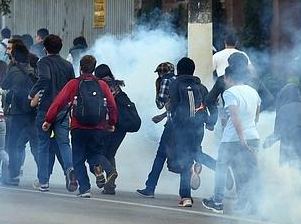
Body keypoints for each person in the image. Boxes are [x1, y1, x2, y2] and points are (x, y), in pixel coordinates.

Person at [43, 55, 118, 198]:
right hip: (98, 127)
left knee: (77, 158)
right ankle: (101, 168)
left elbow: (58, 103)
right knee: (95, 153)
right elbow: (112, 105)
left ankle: (84, 189)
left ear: (80, 68)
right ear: (94, 68)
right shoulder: (102, 84)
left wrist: (48, 119)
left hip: (78, 127)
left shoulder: (74, 84)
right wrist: (112, 123)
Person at [203, 64, 261, 214]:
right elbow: (256, 115)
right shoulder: (253, 92)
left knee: (221, 169)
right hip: (253, 136)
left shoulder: (230, 93)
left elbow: (235, 116)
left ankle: (217, 201)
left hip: (232, 139)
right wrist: (249, 131)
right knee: (250, 172)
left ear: (228, 77)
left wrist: (241, 138)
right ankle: (254, 205)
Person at [166, 57, 217, 207]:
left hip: (181, 128)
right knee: (196, 153)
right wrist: (210, 122)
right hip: (198, 128)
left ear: (179, 70)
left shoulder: (175, 84)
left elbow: (173, 105)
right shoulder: (200, 86)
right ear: (193, 70)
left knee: (185, 159)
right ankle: (220, 168)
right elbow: (211, 105)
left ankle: (186, 197)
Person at [29, 34, 77, 192]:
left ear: (45, 48)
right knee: (64, 143)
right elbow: (73, 85)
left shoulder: (43, 62)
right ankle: (70, 170)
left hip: (45, 109)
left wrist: (32, 92)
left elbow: (45, 78)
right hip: (63, 110)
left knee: (43, 145)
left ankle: (43, 181)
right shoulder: (68, 65)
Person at [136, 62, 177, 198]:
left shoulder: (165, 81)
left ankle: (150, 187)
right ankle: (218, 168)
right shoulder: (178, 81)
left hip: (172, 124)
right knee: (192, 153)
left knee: (161, 155)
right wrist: (162, 116)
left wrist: (157, 88)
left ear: (161, 73)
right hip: (185, 123)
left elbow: (160, 104)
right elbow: (175, 105)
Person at [263, 84, 301, 171]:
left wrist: (267, 143)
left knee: (297, 171)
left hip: (297, 147)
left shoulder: (283, 110)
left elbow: (278, 133)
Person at [1, 45, 38, 186]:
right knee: (36, 145)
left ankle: (13, 174)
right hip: (32, 112)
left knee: (13, 144)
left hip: (17, 113)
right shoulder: (33, 70)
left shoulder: (14, 70)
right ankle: (43, 175)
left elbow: (4, 85)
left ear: (14, 58)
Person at [93, 64, 127, 195]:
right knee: (110, 153)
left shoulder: (101, 86)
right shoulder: (117, 85)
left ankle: (110, 171)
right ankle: (110, 186)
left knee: (98, 153)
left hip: (108, 124)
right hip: (121, 126)